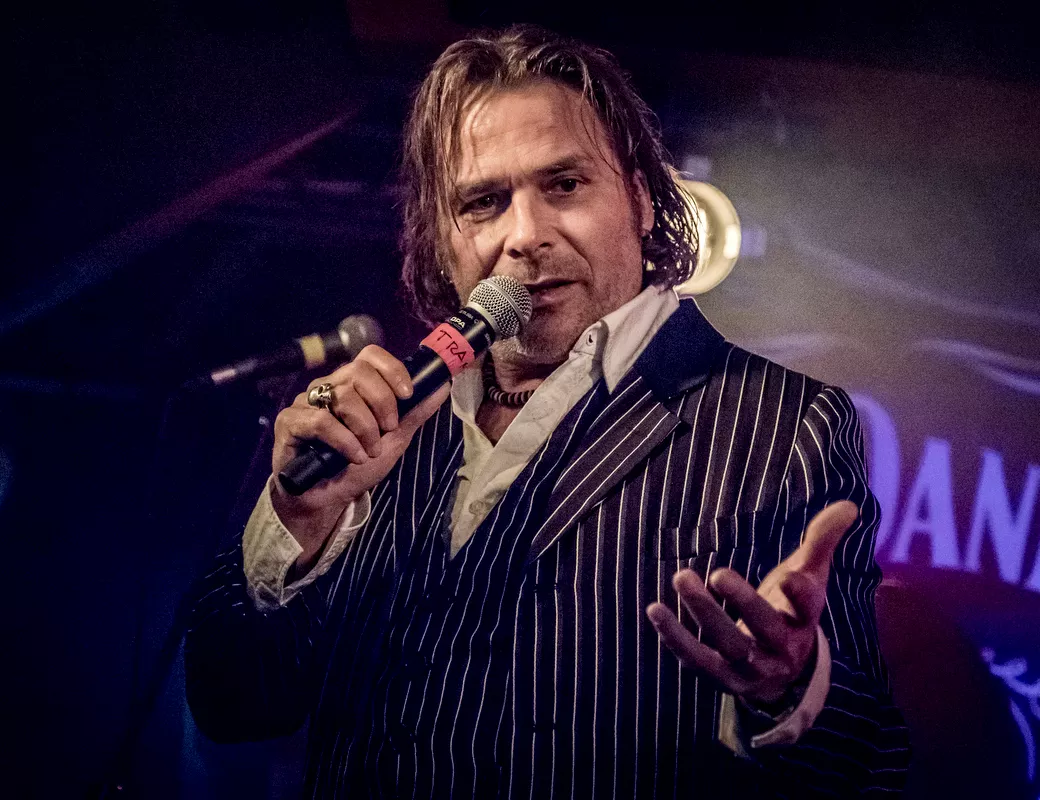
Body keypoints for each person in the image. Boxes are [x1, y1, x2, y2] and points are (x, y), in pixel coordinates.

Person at [185, 25, 909, 798]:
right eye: (484, 202)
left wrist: (788, 689)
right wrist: (295, 526)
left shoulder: (786, 424)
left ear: (640, 198)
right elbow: (234, 705)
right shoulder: (381, 421)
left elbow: (867, 765)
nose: (525, 236)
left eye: (564, 185)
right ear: (440, 239)